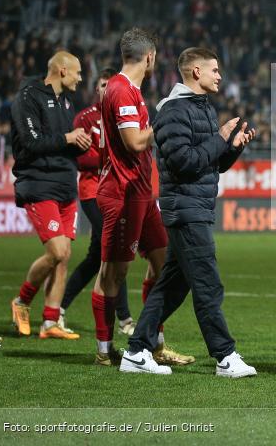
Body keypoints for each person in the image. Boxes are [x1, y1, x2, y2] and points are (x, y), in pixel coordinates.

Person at [120, 47, 256, 377]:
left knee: (171, 287)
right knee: (208, 284)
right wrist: (219, 138)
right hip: (185, 208)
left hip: (196, 205)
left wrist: (231, 149)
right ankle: (225, 356)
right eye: (214, 70)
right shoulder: (172, 112)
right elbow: (183, 163)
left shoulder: (202, 108)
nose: (220, 76)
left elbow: (209, 164)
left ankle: (136, 351)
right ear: (196, 72)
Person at [91, 28, 193, 367]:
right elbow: (135, 142)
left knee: (164, 263)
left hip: (142, 192)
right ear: (149, 57)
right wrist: (166, 122)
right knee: (113, 273)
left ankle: (154, 344)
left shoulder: (130, 90)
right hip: (122, 193)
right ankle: (105, 350)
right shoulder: (121, 90)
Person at [10, 51, 90, 339]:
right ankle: (21, 302)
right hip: (39, 183)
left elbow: (62, 144)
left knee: (64, 256)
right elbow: (31, 143)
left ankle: (50, 321)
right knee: (56, 251)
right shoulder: (28, 96)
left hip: (65, 185)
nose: (81, 78)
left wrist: (79, 142)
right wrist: (68, 138)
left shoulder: (67, 103)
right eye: (78, 72)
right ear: (63, 70)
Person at [60, 69, 134, 335]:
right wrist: (111, 156)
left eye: (110, 85)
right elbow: (79, 159)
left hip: (117, 193)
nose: (106, 89)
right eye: (102, 85)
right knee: (114, 248)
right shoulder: (85, 118)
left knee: (95, 258)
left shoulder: (122, 115)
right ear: (96, 89)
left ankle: (58, 308)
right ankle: (125, 319)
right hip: (92, 191)